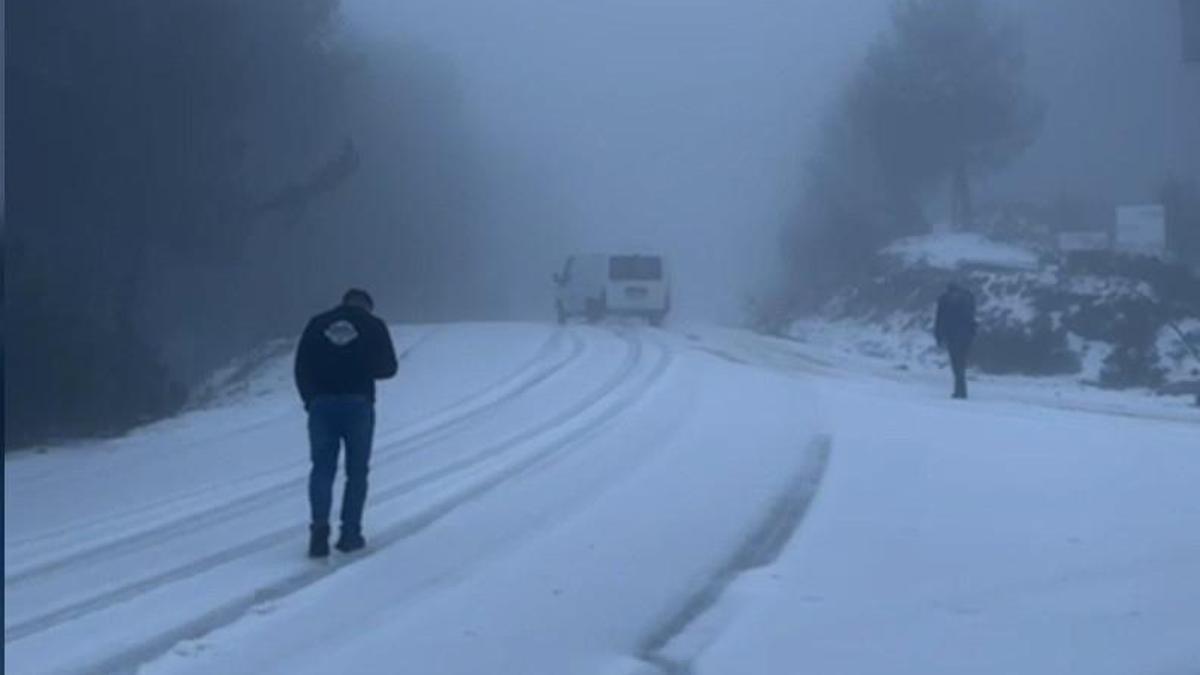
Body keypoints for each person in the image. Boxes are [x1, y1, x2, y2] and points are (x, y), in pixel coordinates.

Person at [295, 288, 398, 557]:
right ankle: (350, 534)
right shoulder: (374, 326)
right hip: (358, 404)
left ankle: (319, 527)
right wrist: (362, 363)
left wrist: (310, 400)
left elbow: (301, 366)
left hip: (321, 405)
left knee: (322, 469)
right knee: (357, 472)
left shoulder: (318, 323)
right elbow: (389, 368)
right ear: (367, 307)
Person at [934, 282, 977, 400]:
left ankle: (960, 391)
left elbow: (939, 319)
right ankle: (961, 390)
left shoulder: (944, 300)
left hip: (952, 335)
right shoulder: (968, 298)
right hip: (966, 336)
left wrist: (938, 337)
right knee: (961, 363)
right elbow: (972, 316)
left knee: (956, 364)